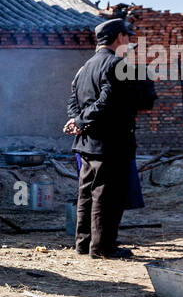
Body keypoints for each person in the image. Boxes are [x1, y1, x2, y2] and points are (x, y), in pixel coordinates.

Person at [64, 18, 156, 259]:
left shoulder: (85, 67)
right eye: (127, 37)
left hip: (87, 142)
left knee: (86, 194)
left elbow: (73, 102)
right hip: (111, 143)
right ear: (119, 38)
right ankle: (103, 247)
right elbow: (108, 102)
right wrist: (81, 121)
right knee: (107, 196)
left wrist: (77, 121)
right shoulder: (116, 64)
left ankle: (83, 243)